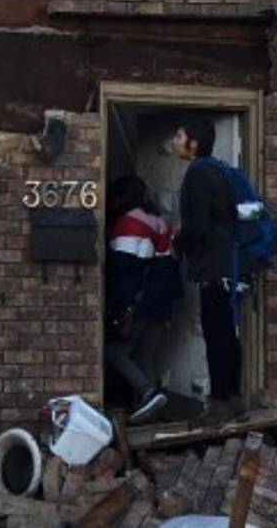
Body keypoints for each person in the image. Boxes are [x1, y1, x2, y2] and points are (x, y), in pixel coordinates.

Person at [171, 116, 244, 420]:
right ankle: (234, 398)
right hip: (232, 264)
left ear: (194, 143)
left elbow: (197, 226)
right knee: (228, 332)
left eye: (178, 134)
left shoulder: (198, 173)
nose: (174, 141)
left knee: (216, 334)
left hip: (214, 266)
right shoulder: (220, 171)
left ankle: (219, 403)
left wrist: (178, 244)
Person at [104, 176, 181, 424]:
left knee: (115, 354)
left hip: (139, 303)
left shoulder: (130, 222)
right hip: (162, 304)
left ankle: (148, 394)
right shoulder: (160, 222)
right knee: (145, 357)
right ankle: (155, 412)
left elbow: (124, 264)